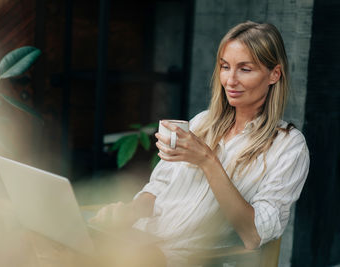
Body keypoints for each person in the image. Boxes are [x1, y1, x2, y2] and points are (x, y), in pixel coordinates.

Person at [90, 21, 309, 266]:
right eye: (225, 67)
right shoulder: (201, 122)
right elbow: (159, 187)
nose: (230, 80)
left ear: (274, 74)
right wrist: (130, 211)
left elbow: (254, 233)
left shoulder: (288, 146)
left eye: (245, 69)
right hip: (138, 242)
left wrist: (207, 160)